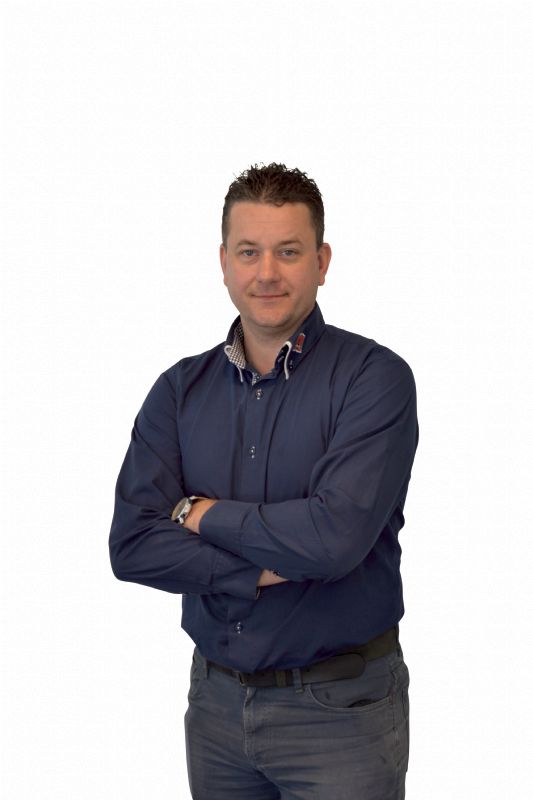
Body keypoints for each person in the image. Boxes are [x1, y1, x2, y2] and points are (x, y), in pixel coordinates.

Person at [109, 163, 419, 799]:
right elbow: (132, 545)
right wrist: (255, 570)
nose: (267, 273)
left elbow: (333, 540)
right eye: (249, 252)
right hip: (215, 706)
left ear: (322, 261)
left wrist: (197, 513)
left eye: (289, 252)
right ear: (224, 262)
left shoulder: (374, 379)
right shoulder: (178, 391)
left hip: (342, 713)